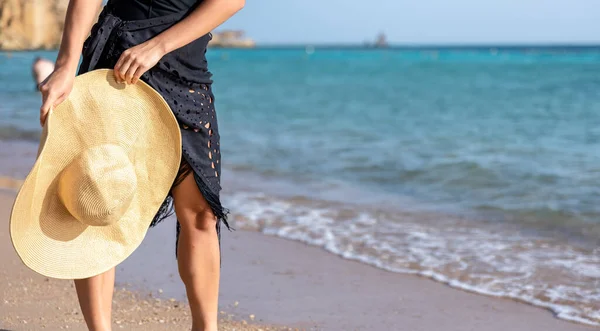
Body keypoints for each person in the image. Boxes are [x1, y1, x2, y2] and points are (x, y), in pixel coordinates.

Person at [36, 0, 245, 330]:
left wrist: (158, 46)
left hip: (183, 70)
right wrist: (65, 63)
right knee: (97, 198)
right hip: (117, 64)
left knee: (202, 213)